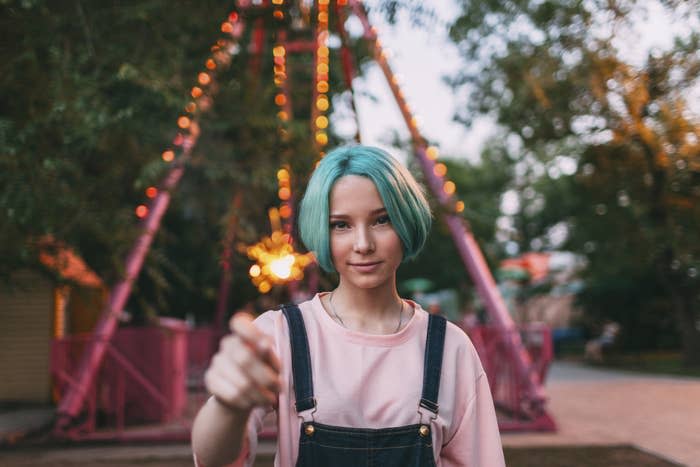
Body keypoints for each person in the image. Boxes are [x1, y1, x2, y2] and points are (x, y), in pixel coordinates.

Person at [191, 145, 505, 467]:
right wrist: (229, 406)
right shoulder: (280, 335)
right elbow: (212, 460)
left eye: (382, 220)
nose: (363, 244)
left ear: (406, 221)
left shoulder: (451, 348)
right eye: (341, 225)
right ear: (322, 232)